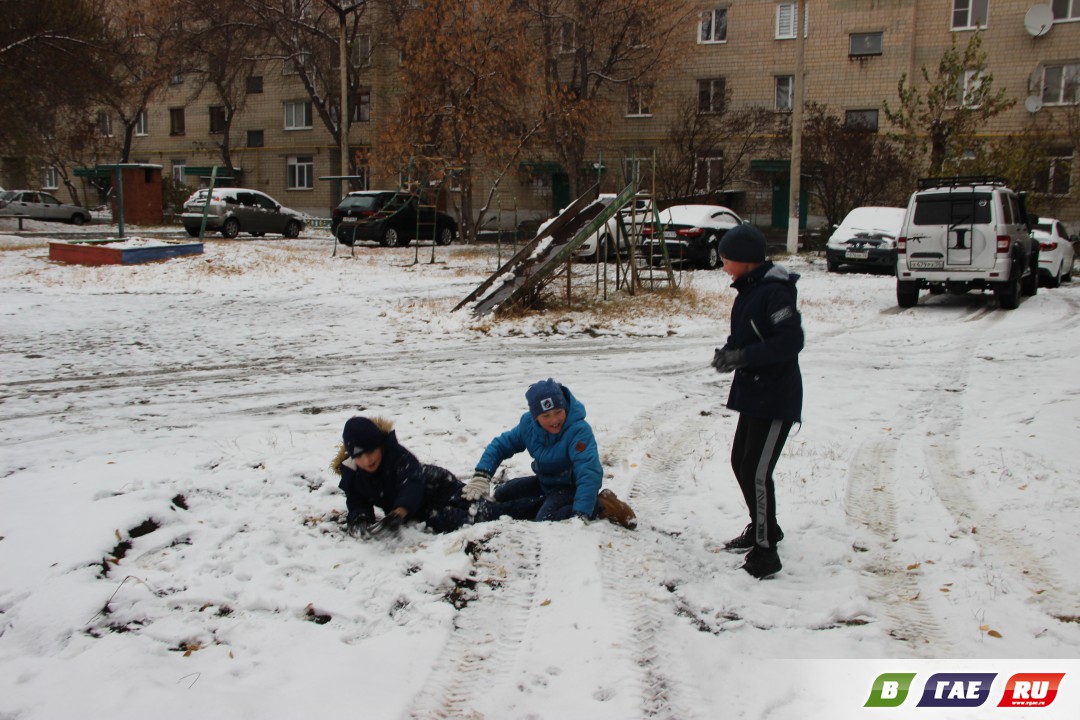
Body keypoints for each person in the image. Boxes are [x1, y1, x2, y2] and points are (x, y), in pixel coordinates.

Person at [711, 224, 803, 579]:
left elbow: (790, 341)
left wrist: (744, 357)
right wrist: (730, 352)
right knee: (740, 462)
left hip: (776, 395)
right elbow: (748, 335)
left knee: (758, 472)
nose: (724, 267)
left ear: (747, 261)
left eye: (727, 260)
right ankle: (765, 526)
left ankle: (767, 551)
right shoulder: (748, 291)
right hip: (753, 393)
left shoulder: (776, 293)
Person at [462, 378, 636, 529]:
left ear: (565, 408)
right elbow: (500, 445)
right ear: (535, 416)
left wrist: (582, 512)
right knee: (502, 494)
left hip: (572, 487)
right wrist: (481, 475)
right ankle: (545, 501)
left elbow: (589, 473)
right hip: (546, 482)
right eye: (546, 416)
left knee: (546, 518)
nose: (554, 420)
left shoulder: (578, 431)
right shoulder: (528, 426)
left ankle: (602, 504)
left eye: (558, 412)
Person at [332, 416, 541, 537]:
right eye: (360, 456)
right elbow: (357, 500)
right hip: (423, 510)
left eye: (371, 451)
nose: (368, 460)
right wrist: (359, 518)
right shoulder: (354, 476)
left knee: (483, 514)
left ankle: (539, 504)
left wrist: (399, 512)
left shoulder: (398, 457)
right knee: (443, 520)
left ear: (381, 445)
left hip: (440, 488)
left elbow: (411, 484)